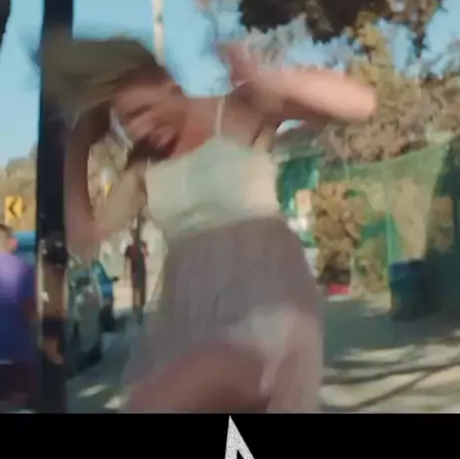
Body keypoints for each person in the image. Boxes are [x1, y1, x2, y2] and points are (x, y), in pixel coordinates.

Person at [42, 34, 377, 413]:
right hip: (193, 328)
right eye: (126, 122)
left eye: (143, 110)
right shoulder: (143, 163)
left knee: (151, 406)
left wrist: (270, 81)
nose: (139, 128)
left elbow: (361, 104)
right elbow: (85, 238)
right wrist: (78, 147)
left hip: (267, 312)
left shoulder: (237, 110)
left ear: (168, 83)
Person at [0, 225, 36, 410]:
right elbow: (29, 310)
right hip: (16, 353)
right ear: (11, 243)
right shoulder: (23, 268)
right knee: (17, 404)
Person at [123, 230, 148, 322]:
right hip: (135, 271)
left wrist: (143, 250)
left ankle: (139, 308)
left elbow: (146, 254)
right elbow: (126, 260)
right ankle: (136, 308)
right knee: (136, 290)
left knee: (140, 290)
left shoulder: (142, 245)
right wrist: (125, 271)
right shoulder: (130, 248)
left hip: (141, 271)